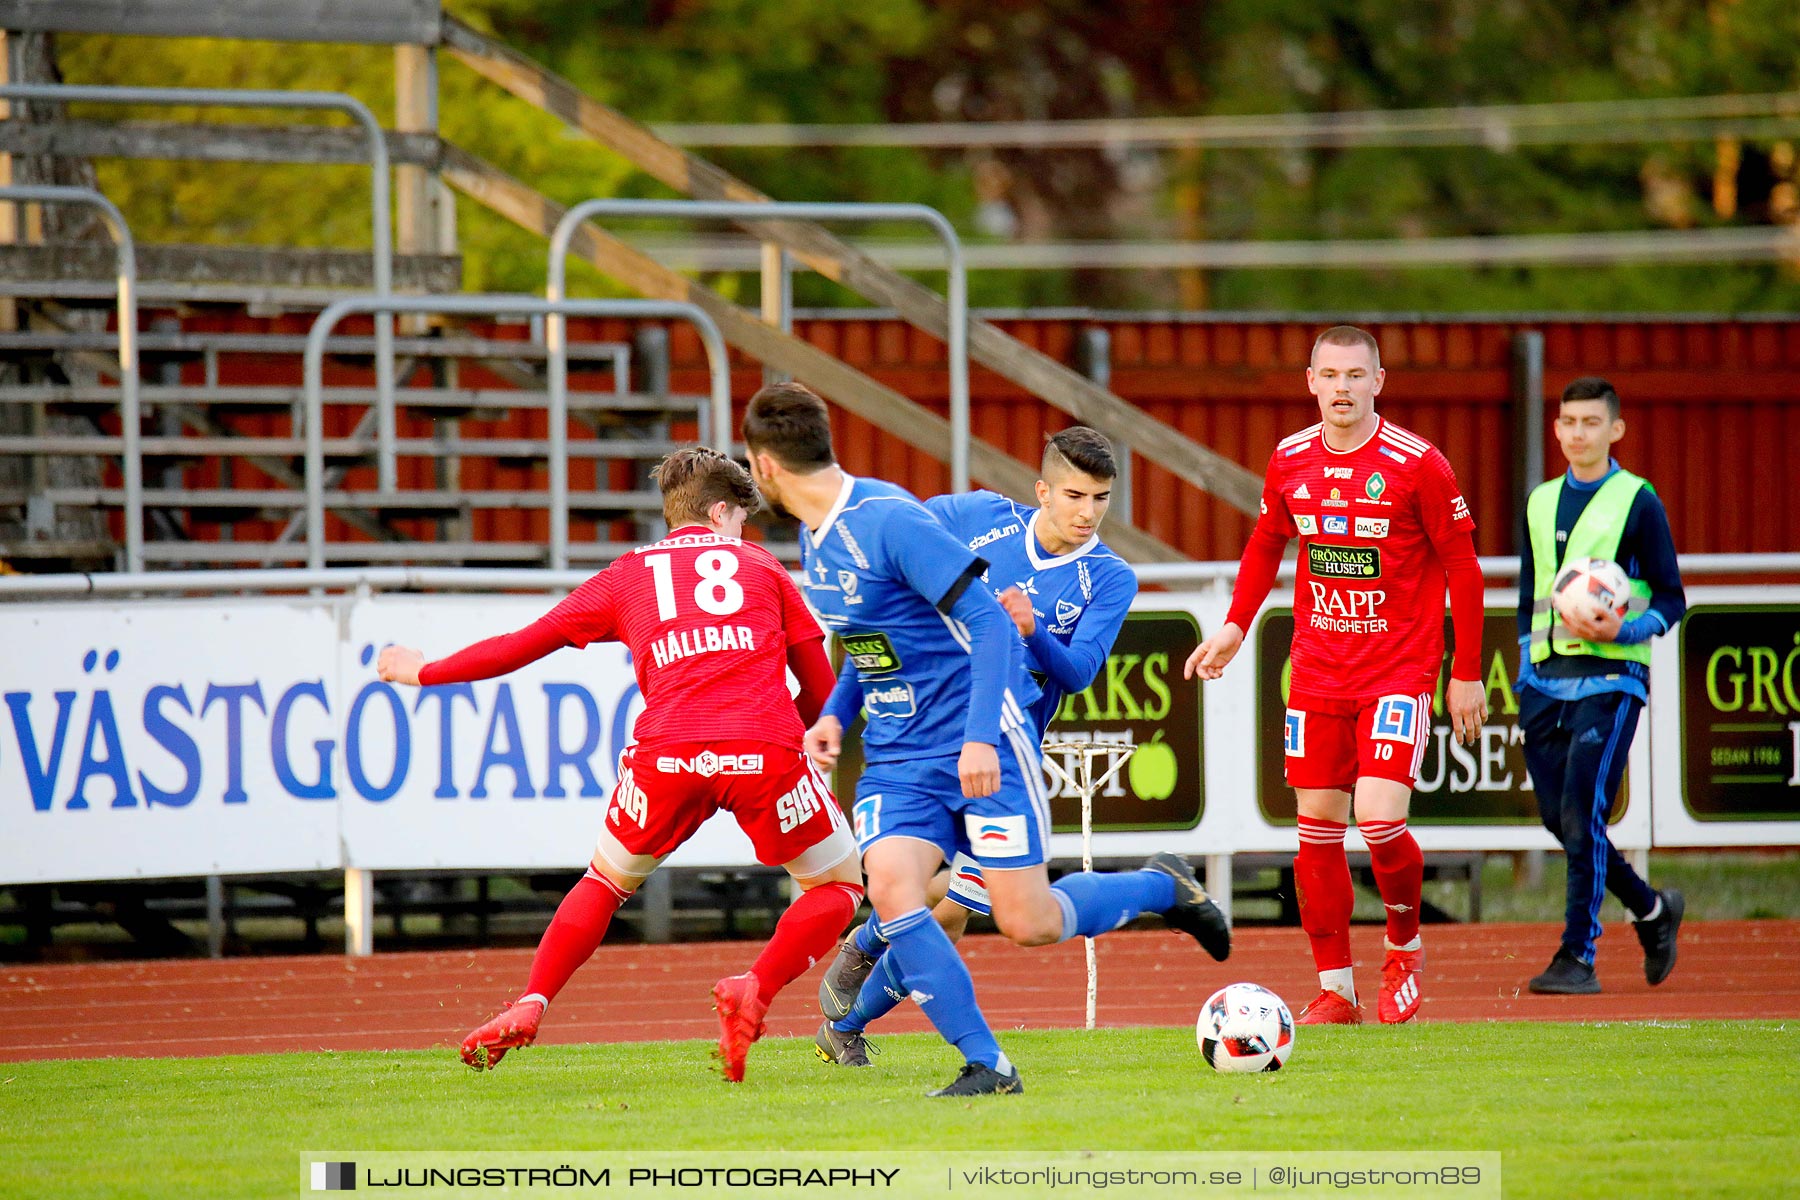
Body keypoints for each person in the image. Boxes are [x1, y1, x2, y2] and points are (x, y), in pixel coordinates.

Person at [745, 384, 1224, 1096]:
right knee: (903, 890)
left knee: (1008, 919)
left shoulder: (1100, 574)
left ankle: (1162, 885)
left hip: (998, 742)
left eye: (1100, 499)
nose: (1086, 512)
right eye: (1074, 495)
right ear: (1042, 489)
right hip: (908, 748)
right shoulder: (945, 520)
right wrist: (836, 715)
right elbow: (879, 629)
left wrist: (1021, 653)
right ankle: (963, 1056)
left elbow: (1064, 662)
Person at [375, 447, 862, 1083]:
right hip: (763, 750)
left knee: (604, 883)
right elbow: (823, 697)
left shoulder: (627, 575)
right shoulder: (766, 569)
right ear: (720, 512)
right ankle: (756, 986)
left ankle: (532, 1001)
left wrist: (423, 671)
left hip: (666, 754)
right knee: (838, 887)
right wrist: (770, 743)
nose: (744, 530)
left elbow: (523, 645)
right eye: (741, 518)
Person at [1184, 325, 1487, 1026]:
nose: (1343, 388)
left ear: (1379, 381)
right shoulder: (1290, 457)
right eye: (1331, 374)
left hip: (1398, 670)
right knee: (1317, 827)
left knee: (1379, 821)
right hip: (1318, 670)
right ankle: (1336, 991)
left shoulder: (1418, 464)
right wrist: (1234, 626)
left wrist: (1465, 671)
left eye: (1357, 374)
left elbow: (1465, 568)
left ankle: (1404, 947)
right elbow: (1266, 543)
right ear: (1311, 382)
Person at [1518, 377, 1686, 994]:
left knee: (1581, 810)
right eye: (1568, 422)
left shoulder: (1638, 501)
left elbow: (1672, 599)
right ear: (1557, 428)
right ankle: (1652, 910)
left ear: (1615, 430)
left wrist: (1625, 626)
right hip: (1544, 679)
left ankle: (1577, 957)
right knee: (1560, 821)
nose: (1578, 433)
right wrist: (1522, 665)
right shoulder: (1538, 501)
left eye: (1592, 422)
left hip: (1612, 677)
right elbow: (1527, 595)